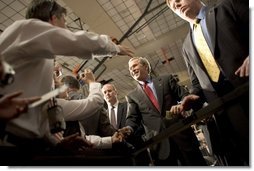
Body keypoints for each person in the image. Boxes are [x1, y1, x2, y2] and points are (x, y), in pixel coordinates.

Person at [0, 0, 133, 146]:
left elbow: (37, 113)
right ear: (53, 18)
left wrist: (56, 143)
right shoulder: (26, 27)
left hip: (24, 145)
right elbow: (77, 42)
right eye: (65, 22)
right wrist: (114, 48)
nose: (66, 28)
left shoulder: (35, 58)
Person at [166, 0, 249, 165]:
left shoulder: (228, 6)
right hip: (225, 112)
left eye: (178, 0)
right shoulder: (186, 46)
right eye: (173, 6)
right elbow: (197, 84)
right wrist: (192, 97)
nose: (176, 5)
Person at [119, 57, 206, 166]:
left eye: (134, 66)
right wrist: (129, 128)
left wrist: (180, 105)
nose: (132, 70)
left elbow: (184, 95)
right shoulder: (132, 96)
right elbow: (133, 118)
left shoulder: (166, 79)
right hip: (159, 144)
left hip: (182, 135)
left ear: (145, 66)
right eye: (130, 69)